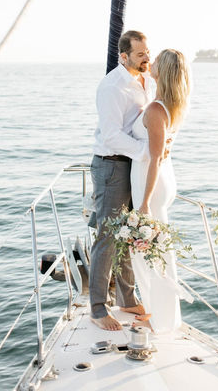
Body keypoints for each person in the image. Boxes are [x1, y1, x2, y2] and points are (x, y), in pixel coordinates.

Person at [89, 30, 156, 331]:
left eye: (147, 52)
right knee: (106, 237)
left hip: (133, 168)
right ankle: (98, 308)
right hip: (112, 166)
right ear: (124, 56)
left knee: (126, 235)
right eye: (140, 54)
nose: (146, 57)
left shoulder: (148, 80)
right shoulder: (112, 87)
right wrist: (146, 152)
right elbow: (112, 135)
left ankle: (127, 298)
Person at [130, 48, 193, 334]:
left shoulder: (156, 110)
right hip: (162, 179)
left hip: (151, 184)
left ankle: (162, 318)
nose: (150, 62)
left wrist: (143, 202)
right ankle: (160, 312)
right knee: (154, 250)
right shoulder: (170, 104)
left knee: (151, 252)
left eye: (155, 61)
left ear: (163, 71)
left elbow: (154, 158)